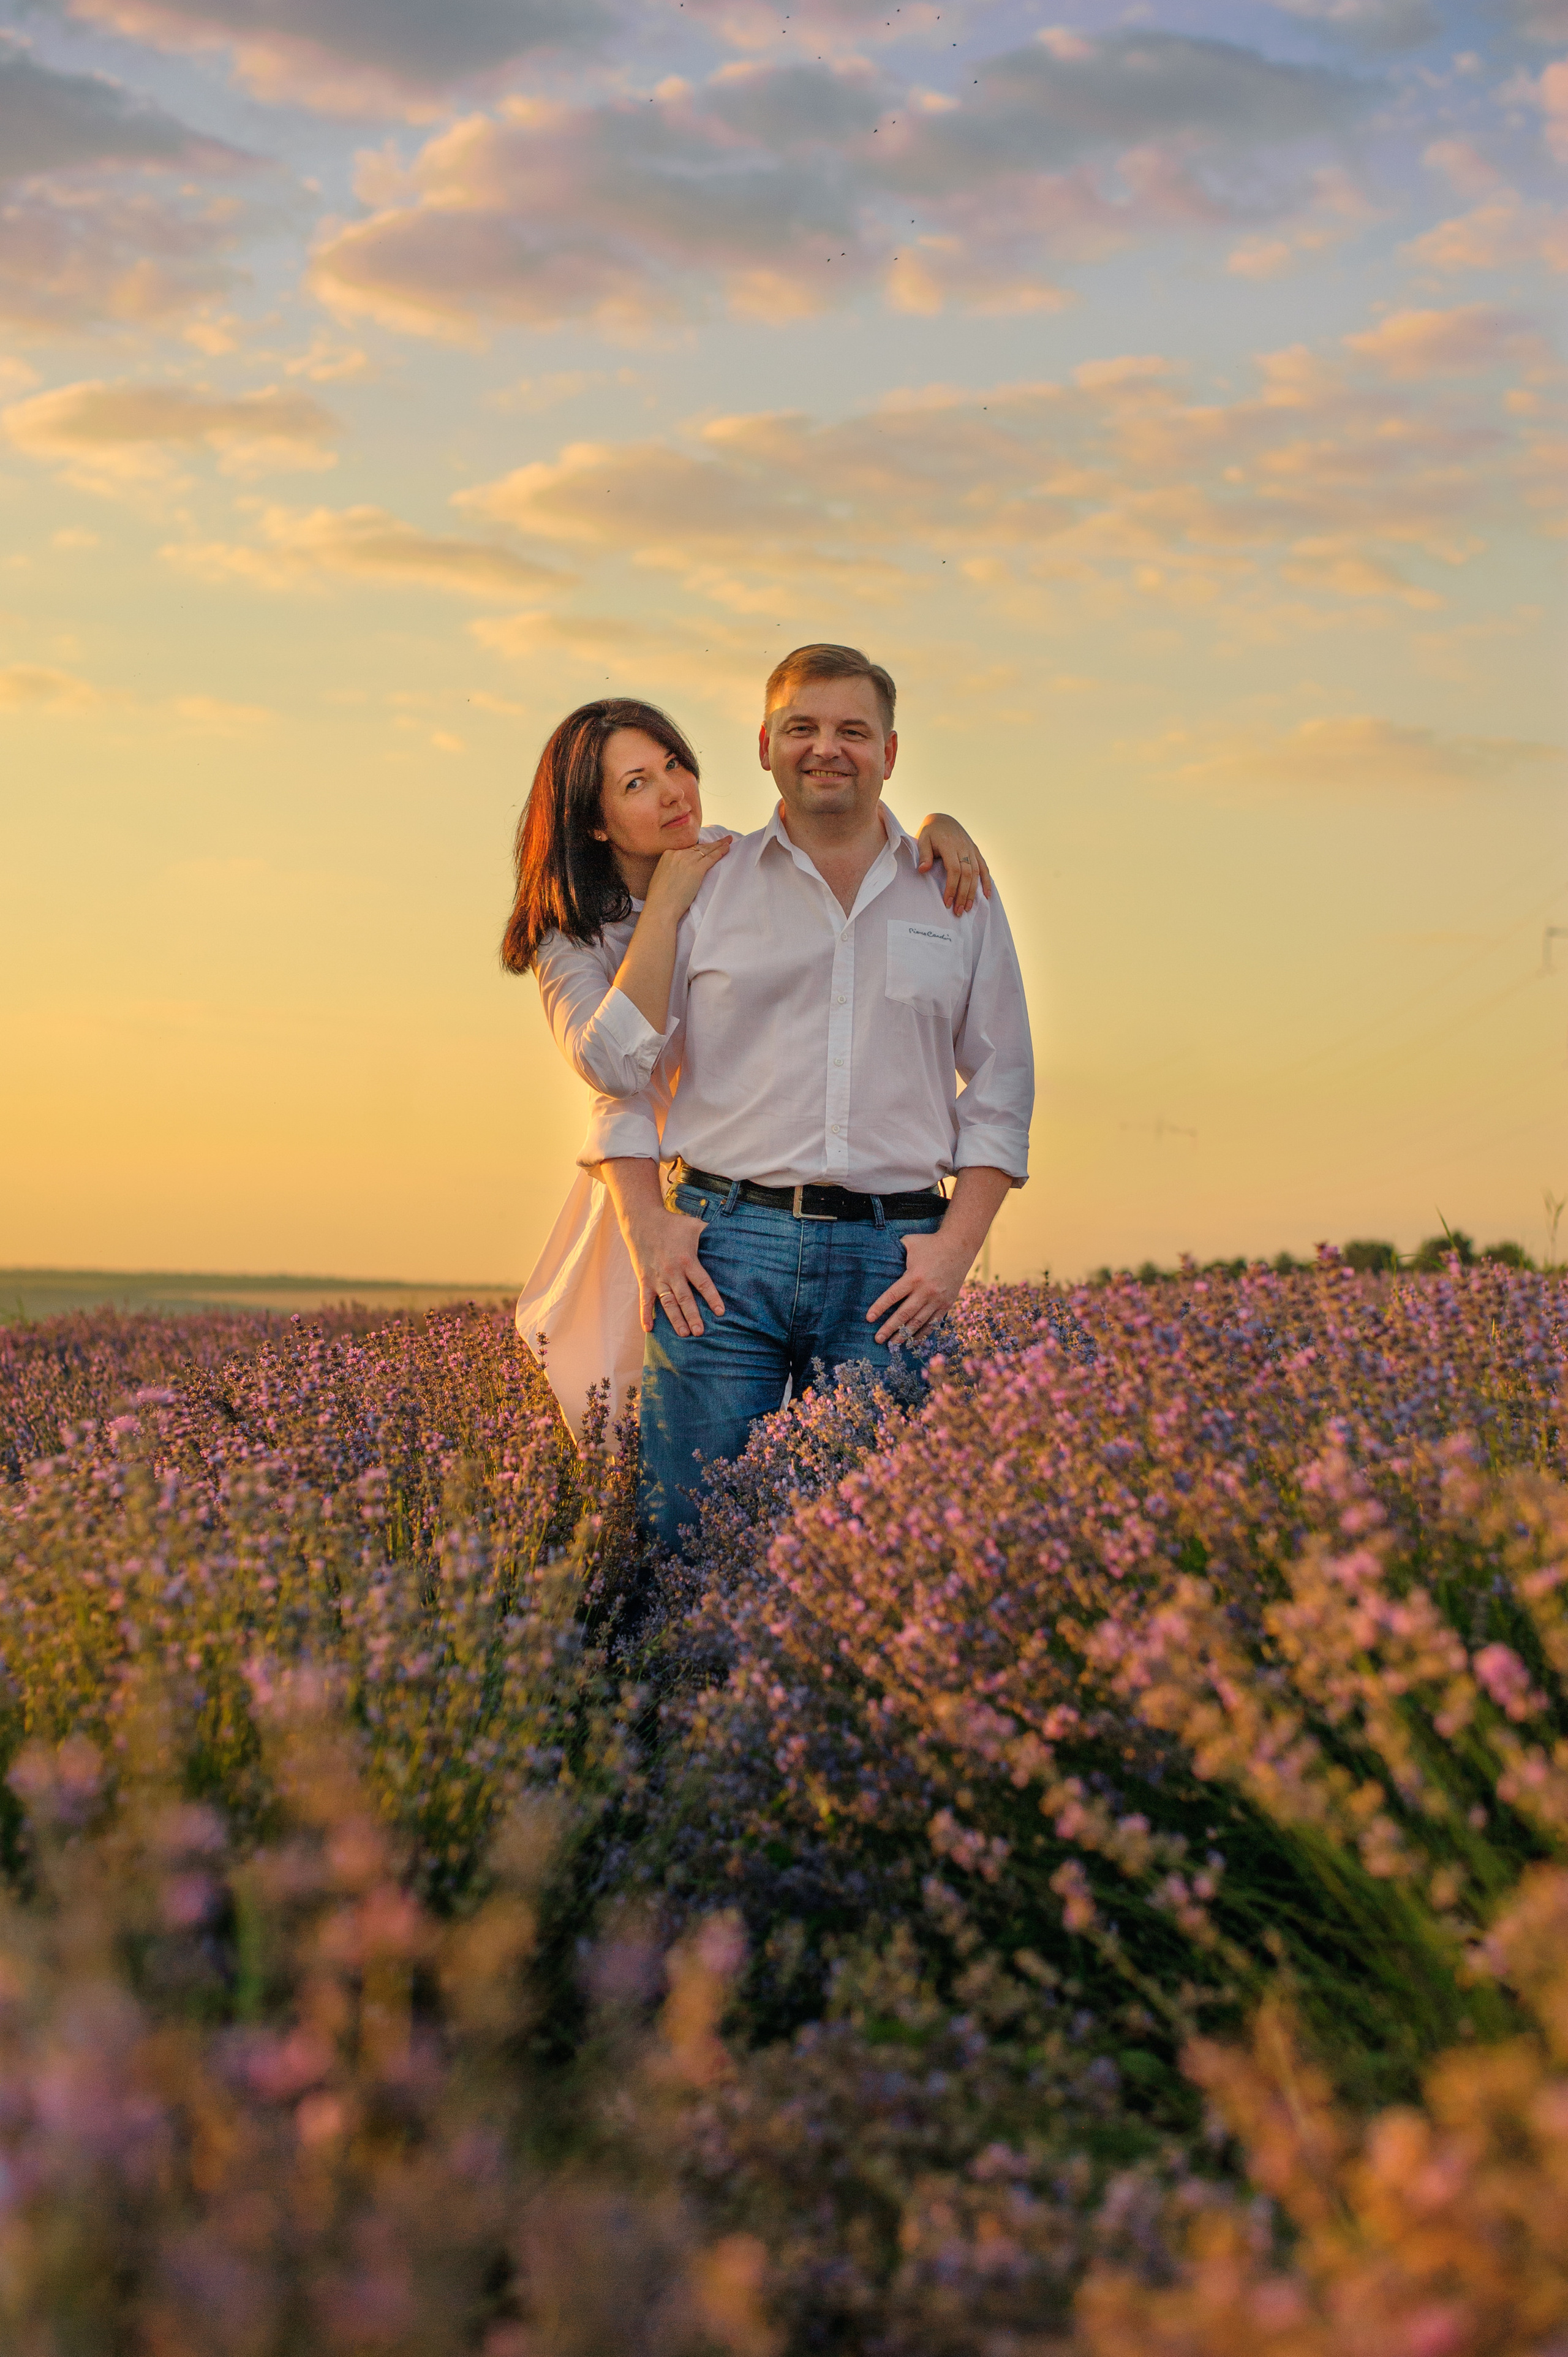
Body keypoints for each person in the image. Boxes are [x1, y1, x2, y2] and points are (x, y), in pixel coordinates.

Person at [579, 644, 1033, 1552]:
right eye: (803, 728)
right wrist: (646, 1221)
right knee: (687, 1543)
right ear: (764, 744)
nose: (828, 748)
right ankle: (685, 1696)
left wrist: (955, 1250)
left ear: (891, 754)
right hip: (719, 1253)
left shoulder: (958, 892)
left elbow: (1003, 1085)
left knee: (881, 1552)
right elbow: (624, 1074)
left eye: (853, 731)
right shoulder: (701, 885)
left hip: (894, 1262)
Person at [501, 694, 993, 1445]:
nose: (673, 791)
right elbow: (614, 1076)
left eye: (674, 764)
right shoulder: (570, 939)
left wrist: (933, 829)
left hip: (734, 1195)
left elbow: (845, 845)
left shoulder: (729, 864)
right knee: (649, 1449)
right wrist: (661, 912)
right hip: (668, 1200)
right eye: (635, 783)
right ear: (594, 819)